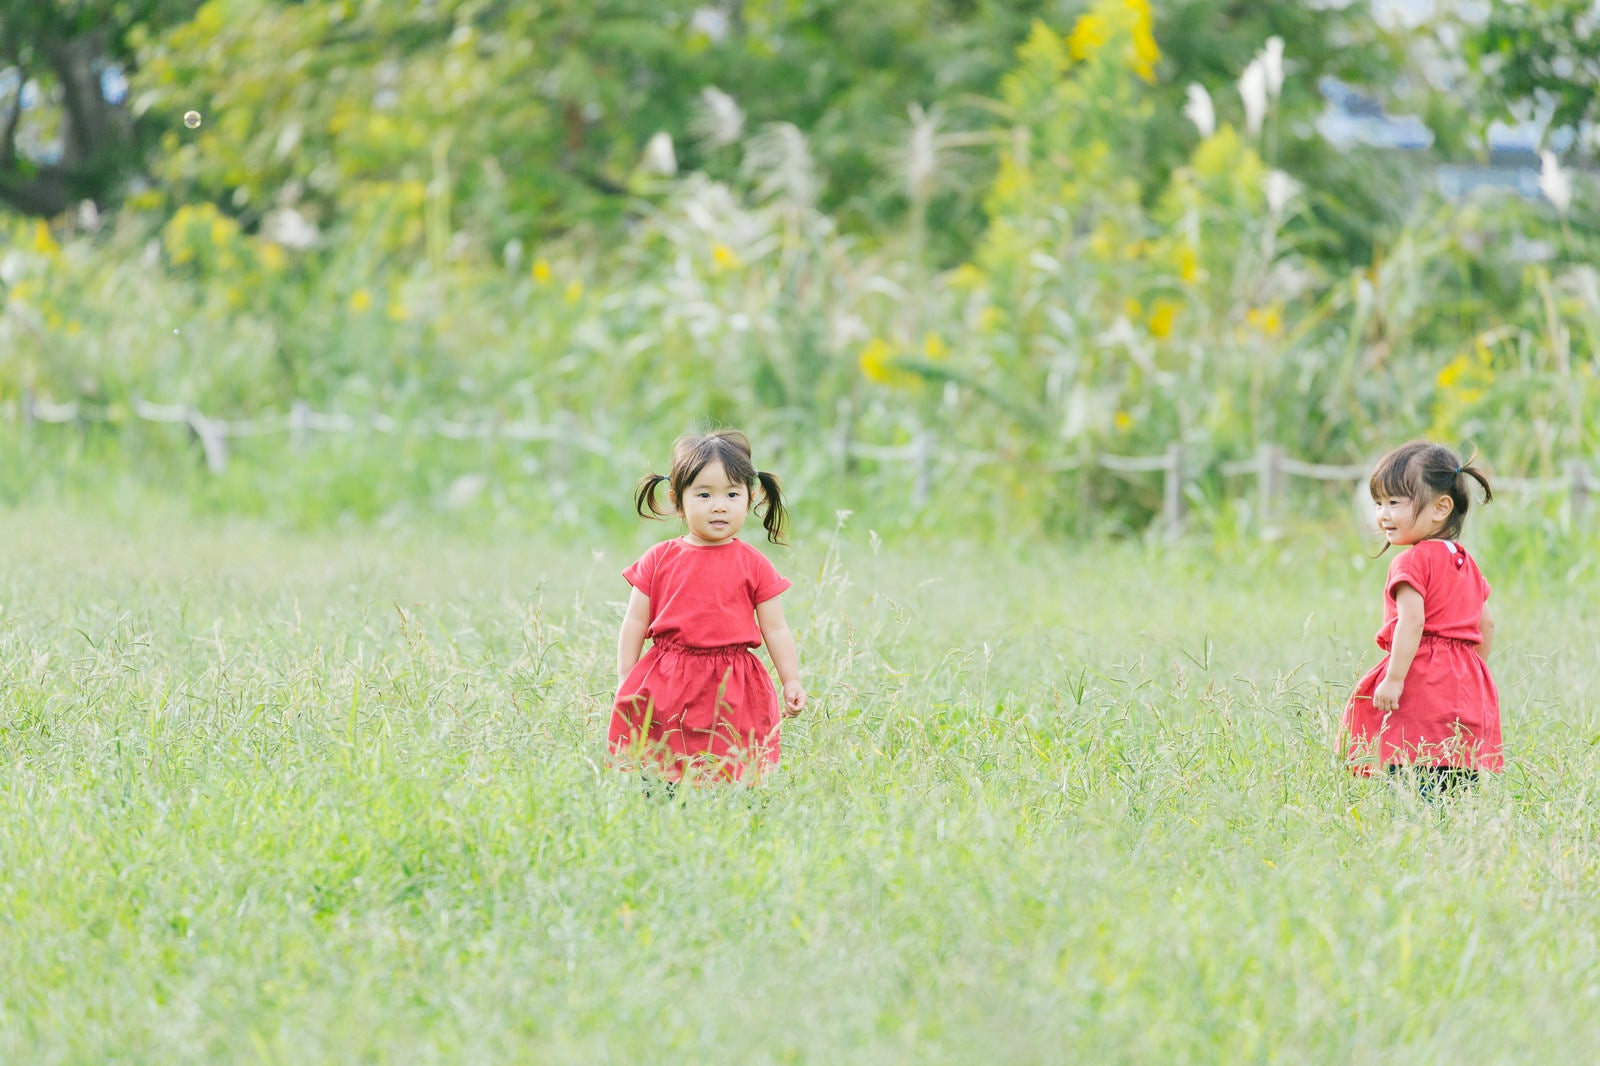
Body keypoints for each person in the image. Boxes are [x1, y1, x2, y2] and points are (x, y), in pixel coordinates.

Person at [611, 430, 806, 785]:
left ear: (750, 497)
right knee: (664, 761)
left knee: (733, 763)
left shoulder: (754, 563)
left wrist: (790, 679)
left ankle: (732, 809)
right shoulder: (659, 558)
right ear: (677, 499)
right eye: (704, 494)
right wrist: (626, 676)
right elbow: (635, 620)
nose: (719, 505)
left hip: (734, 682)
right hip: (669, 678)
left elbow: (776, 628)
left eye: (732, 494)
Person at [1344, 441, 1500, 799]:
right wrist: (1470, 669)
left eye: (1394, 503)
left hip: (1423, 678)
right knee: (1456, 772)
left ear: (1440, 508)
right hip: (1465, 680)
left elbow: (1411, 622)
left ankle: (1415, 833)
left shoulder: (1411, 561)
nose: (1382, 514)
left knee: (1412, 763)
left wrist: (1395, 679)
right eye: (1379, 503)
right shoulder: (1466, 561)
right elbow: (1486, 625)